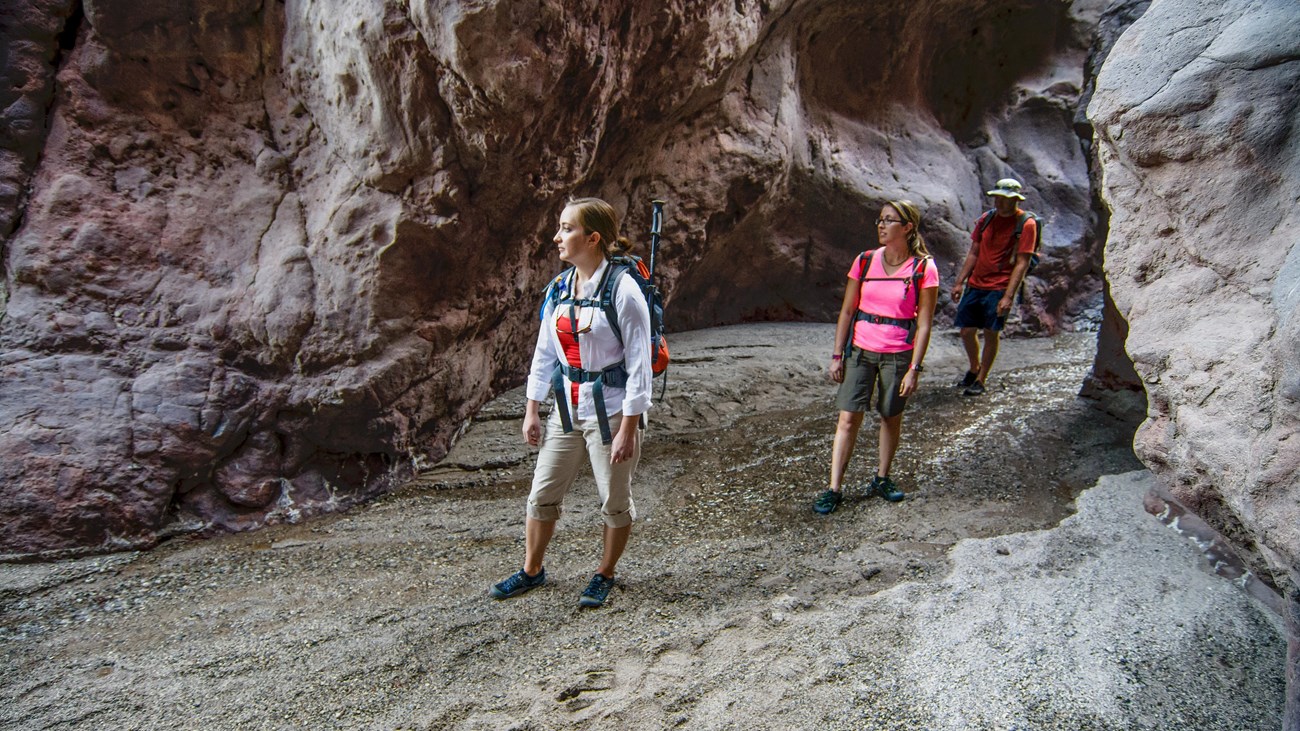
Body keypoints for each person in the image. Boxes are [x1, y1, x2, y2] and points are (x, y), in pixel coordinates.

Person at [491, 197, 653, 609]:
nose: (557, 236)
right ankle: (532, 570)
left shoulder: (625, 292)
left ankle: (605, 573)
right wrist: (532, 407)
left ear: (594, 238)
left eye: (566, 228)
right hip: (566, 409)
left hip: (612, 413)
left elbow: (640, 367)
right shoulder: (560, 288)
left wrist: (628, 430)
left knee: (614, 501)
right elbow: (545, 353)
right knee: (541, 493)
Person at [815, 200, 939, 515]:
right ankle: (834, 488)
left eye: (889, 220)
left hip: (898, 353)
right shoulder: (865, 261)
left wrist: (915, 368)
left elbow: (924, 323)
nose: (881, 226)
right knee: (848, 417)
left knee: (889, 415)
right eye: (879, 220)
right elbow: (847, 310)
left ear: (908, 227)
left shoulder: (923, 268)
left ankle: (882, 478)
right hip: (861, 349)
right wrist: (837, 354)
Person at [949, 178, 1037, 396]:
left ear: (1015, 199)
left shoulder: (1026, 224)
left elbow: (1022, 263)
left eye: (1004, 198)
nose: (998, 201)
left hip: (999, 286)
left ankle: (981, 379)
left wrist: (1008, 296)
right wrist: (960, 281)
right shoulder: (986, 219)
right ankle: (973, 367)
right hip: (976, 283)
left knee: (991, 332)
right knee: (966, 331)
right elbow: (974, 252)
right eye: (997, 197)